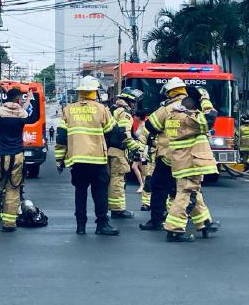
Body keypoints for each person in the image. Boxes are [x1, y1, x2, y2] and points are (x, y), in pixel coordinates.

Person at [140, 93, 221, 242]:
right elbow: (210, 118)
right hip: (190, 163)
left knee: (194, 194)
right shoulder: (188, 120)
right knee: (185, 196)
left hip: (181, 162)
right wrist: (205, 100)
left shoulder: (173, 116)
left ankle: (205, 223)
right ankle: (174, 230)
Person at [55, 75, 124, 236]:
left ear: (80, 92)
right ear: (94, 92)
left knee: (80, 192)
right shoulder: (102, 109)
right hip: (97, 159)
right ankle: (102, 224)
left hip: (77, 160)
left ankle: (80, 226)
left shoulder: (68, 110)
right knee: (100, 192)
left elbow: (61, 137)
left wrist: (59, 160)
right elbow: (113, 132)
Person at [0, 86, 38, 232]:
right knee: (13, 189)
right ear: (18, 99)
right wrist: (28, 97)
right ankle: (9, 224)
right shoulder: (22, 114)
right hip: (17, 156)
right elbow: (25, 109)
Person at [136, 77, 187, 231]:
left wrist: (140, 148)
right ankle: (194, 220)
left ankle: (157, 220)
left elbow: (149, 126)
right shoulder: (194, 108)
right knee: (187, 189)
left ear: (170, 93)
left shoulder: (167, 109)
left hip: (168, 156)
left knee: (159, 187)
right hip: (188, 157)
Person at [107, 87, 144, 219]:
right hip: (118, 151)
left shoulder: (114, 110)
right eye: (133, 102)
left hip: (111, 150)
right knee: (118, 180)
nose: (134, 105)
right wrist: (136, 148)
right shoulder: (125, 114)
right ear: (129, 101)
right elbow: (124, 134)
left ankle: (115, 208)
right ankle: (117, 210)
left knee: (115, 179)